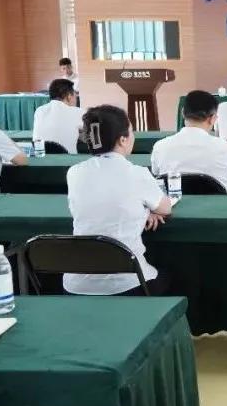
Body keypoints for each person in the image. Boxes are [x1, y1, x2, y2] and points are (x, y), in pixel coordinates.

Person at [64, 105, 172, 296]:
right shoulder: (137, 173)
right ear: (123, 140)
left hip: (76, 285)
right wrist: (148, 210)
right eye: (132, 131)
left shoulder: (74, 173)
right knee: (172, 274)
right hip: (127, 284)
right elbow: (165, 208)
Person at [151, 90, 227, 194]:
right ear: (213, 118)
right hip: (219, 207)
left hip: (175, 207)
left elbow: (156, 174)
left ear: (183, 113)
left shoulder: (160, 147)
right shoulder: (224, 147)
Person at [32, 78, 84, 153]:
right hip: (68, 159)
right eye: (75, 95)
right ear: (69, 96)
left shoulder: (39, 110)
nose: (76, 99)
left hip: (41, 157)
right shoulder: (77, 112)